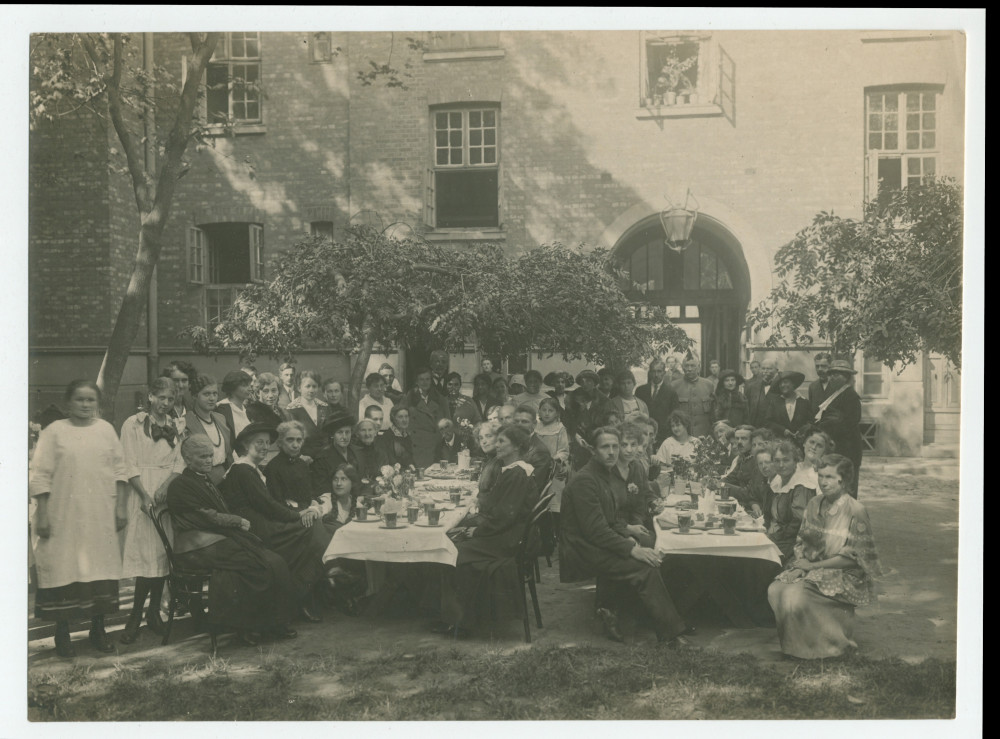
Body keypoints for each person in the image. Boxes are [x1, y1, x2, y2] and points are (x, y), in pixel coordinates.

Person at [559, 427, 689, 646]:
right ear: (593, 450)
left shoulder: (604, 474)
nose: (612, 452)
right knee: (645, 566)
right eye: (605, 447)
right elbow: (595, 531)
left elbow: (611, 518)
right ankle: (671, 635)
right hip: (583, 550)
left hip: (599, 542)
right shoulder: (586, 480)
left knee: (655, 554)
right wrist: (631, 548)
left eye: (614, 446)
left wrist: (628, 535)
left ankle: (648, 618)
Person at [30, 380, 130, 657]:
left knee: (100, 570)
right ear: (68, 402)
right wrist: (43, 514)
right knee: (64, 568)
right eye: (79, 399)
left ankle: (98, 630)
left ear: (97, 403)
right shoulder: (54, 432)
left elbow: (120, 470)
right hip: (63, 515)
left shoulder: (106, 430)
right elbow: (40, 475)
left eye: (90, 400)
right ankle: (62, 633)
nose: (85, 405)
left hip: (99, 514)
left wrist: (121, 507)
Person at [167, 436, 297, 645]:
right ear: (187, 459)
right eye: (202, 456)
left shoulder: (204, 480)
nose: (209, 460)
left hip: (214, 541)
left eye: (210, 455)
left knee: (271, 560)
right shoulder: (180, 486)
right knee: (258, 561)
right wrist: (236, 521)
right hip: (194, 548)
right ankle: (250, 626)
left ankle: (269, 624)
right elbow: (206, 517)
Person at [768, 455, 883, 659]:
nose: (823, 482)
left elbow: (854, 559)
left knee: (795, 595)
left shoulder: (855, 510)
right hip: (813, 567)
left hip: (843, 573)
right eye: (820, 476)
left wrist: (812, 567)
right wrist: (801, 565)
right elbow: (801, 540)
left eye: (829, 477)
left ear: (843, 480)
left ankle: (832, 646)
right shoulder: (814, 503)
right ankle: (798, 647)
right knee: (776, 589)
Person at [220, 423, 332, 623]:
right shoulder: (243, 470)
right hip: (254, 528)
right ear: (246, 445)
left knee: (317, 532)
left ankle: (300, 591)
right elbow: (268, 505)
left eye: (266, 443)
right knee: (314, 532)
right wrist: (299, 515)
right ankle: (300, 593)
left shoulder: (253, 469)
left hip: (263, 521)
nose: (264, 447)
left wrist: (309, 509)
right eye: (258, 443)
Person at [436, 425, 540, 635]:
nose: (496, 445)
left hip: (507, 540)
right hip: (504, 533)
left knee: (451, 551)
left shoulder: (518, 474)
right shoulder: (510, 470)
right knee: (454, 539)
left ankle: (461, 622)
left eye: (502, 441)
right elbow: (499, 509)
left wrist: (477, 531)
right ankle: (460, 616)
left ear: (516, 446)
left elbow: (505, 516)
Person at [118, 378, 187, 644]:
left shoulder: (175, 425)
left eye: (170, 399)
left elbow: (179, 461)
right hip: (141, 492)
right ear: (150, 397)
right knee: (146, 557)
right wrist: (145, 495)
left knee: (161, 556)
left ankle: (153, 613)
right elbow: (128, 463)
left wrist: (167, 487)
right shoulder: (133, 424)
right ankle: (135, 616)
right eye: (161, 398)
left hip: (166, 493)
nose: (165, 404)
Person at [815, 359, 864, 497]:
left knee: (846, 486)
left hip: (847, 449)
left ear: (846, 377)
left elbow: (850, 423)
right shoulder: (836, 394)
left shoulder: (850, 396)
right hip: (837, 447)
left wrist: (828, 425)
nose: (832, 377)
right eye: (831, 374)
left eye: (836, 375)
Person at [264, 421, 331, 518]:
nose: (295, 445)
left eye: (299, 440)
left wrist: (313, 502)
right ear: (280, 442)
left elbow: (308, 494)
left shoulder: (302, 464)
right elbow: (277, 504)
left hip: (308, 512)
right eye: (290, 440)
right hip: (290, 517)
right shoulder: (273, 468)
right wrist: (303, 512)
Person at [767, 440, 816, 563]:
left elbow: (798, 522)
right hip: (780, 537)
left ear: (795, 462)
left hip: (795, 542)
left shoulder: (801, 485)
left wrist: (774, 537)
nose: (781, 465)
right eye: (777, 461)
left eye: (786, 460)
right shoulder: (777, 481)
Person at [184, 374, 233, 485]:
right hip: (200, 479)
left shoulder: (221, 418)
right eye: (206, 394)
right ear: (195, 396)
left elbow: (228, 453)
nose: (212, 398)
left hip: (225, 474)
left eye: (215, 394)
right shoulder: (187, 421)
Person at [535, 398, 571, 533]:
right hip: (537, 468)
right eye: (544, 410)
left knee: (553, 500)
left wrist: (553, 459)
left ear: (557, 413)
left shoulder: (560, 428)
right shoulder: (536, 427)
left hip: (553, 469)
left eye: (550, 410)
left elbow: (564, 451)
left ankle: (555, 531)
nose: (547, 413)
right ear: (539, 411)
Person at [402, 367, 447, 468]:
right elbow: (401, 418)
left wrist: (439, 437)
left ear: (431, 381)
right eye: (421, 379)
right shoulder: (410, 397)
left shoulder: (440, 398)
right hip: (417, 446)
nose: (425, 382)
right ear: (416, 382)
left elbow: (447, 421)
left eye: (427, 379)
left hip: (434, 446)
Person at [567, 369, 611, 469]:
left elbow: (607, 423)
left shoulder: (604, 401)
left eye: (589, 381)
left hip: (598, 440)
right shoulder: (573, 398)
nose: (585, 384)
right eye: (582, 382)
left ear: (594, 383)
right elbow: (569, 420)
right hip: (578, 441)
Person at [311, 410, 361, 497]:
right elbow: (321, 489)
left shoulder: (356, 453)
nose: (344, 437)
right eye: (340, 432)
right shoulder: (322, 458)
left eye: (347, 432)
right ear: (332, 435)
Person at [285, 370, 331, 459]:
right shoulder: (292, 410)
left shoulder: (324, 407)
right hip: (304, 457)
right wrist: (300, 456)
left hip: (326, 456)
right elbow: (289, 440)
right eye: (308, 386)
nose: (311, 390)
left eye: (314, 386)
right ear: (299, 388)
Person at [635, 358, 679, 447]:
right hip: (643, 435)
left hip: (663, 436)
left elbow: (674, 417)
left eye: (659, 371)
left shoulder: (671, 392)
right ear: (649, 372)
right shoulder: (640, 391)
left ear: (664, 373)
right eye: (653, 371)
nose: (656, 375)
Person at [511, 405, 554, 488]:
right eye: (516, 421)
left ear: (534, 424)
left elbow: (533, 485)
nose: (519, 425)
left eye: (524, 422)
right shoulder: (510, 444)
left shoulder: (540, 452)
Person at [671, 357, 716, 437]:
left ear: (698, 367)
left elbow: (713, 414)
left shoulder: (708, 385)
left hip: (704, 435)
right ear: (682, 367)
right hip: (682, 435)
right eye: (687, 366)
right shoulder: (674, 386)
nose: (689, 369)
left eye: (692, 366)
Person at [764, 370, 812, 440]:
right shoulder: (774, 402)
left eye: (785, 382)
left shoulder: (804, 402)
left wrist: (801, 431)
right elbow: (768, 422)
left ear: (793, 384)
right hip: (780, 440)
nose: (782, 385)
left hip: (800, 441)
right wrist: (783, 431)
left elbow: (810, 422)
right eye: (780, 384)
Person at [216, 370, 255, 444]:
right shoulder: (222, 409)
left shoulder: (247, 409)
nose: (250, 389)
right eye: (244, 385)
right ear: (232, 388)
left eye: (250, 385)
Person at [375, 405, 415, 470]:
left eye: (406, 416)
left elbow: (410, 458)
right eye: (400, 417)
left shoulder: (407, 436)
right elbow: (388, 462)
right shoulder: (386, 437)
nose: (404, 420)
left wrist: (411, 464)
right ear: (393, 418)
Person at [746, 359, 781, 427]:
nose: (765, 371)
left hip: (775, 428)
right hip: (755, 427)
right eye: (763, 368)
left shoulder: (781, 387)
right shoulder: (752, 387)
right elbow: (747, 408)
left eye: (769, 369)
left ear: (776, 370)